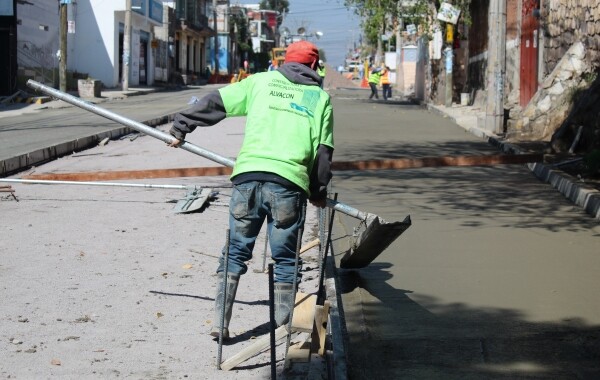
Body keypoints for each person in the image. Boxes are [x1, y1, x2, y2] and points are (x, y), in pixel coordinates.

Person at [168, 40, 334, 339]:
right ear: (313, 66)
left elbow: (216, 102)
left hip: (247, 178)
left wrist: (182, 125)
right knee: (285, 258)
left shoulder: (260, 82)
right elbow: (323, 153)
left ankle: (220, 323)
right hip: (288, 184)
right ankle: (284, 326)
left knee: (234, 252)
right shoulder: (320, 98)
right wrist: (318, 192)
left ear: (285, 60)